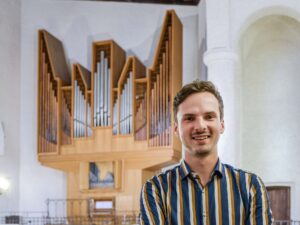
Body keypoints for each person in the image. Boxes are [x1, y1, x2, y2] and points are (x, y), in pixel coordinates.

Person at [140, 80, 273, 225]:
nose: (200, 126)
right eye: (189, 118)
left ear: (221, 125)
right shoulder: (155, 189)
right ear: (176, 129)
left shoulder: (251, 187)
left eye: (209, 117)